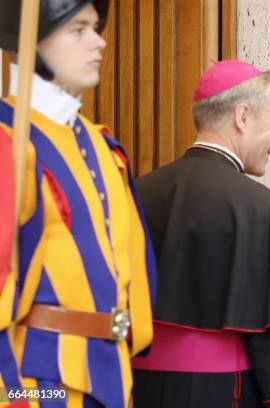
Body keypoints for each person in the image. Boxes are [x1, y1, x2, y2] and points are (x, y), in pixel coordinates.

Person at [132, 60, 270, 407]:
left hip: (137, 390)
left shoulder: (135, 193)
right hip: (225, 394)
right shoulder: (262, 209)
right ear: (242, 117)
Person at [0, 1, 156, 407]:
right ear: (31, 41)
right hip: (37, 387)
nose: (99, 41)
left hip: (111, 377)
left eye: (96, 27)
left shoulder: (103, 145)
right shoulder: (8, 141)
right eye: (78, 29)